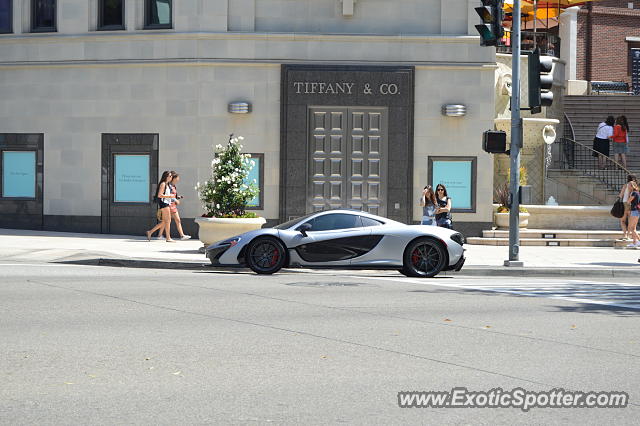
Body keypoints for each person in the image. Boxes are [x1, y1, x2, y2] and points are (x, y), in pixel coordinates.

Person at [157, 171, 191, 240]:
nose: (178, 179)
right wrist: (175, 200)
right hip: (169, 205)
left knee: (166, 221)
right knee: (173, 220)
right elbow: (167, 196)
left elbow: (172, 196)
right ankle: (180, 236)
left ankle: (159, 235)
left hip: (171, 205)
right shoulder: (167, 185)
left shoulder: (172, 186)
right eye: (177, 178)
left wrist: (177, 198)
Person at [145, 171, 175, 242]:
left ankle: (150, 232)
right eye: (170, 176)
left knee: (165, 221)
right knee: (168, 221)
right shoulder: (163, 184)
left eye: (171, 176)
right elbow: (159, 195)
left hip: (166, 203)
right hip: (163, 203)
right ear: (166, 176)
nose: (171, 177)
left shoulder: (167, 184)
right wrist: (169, 196)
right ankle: (168, 238)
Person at [618, 174, 637, 241]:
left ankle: (625, 235)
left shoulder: (626, 185)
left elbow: (620, 195)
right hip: (633, 204)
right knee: (630, 220)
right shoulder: (635, 187)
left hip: (625, 203)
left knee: (623, 220)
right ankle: (629, 235)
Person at [626, 180, 640, 248]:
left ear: (632, 186)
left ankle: (638, 241)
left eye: (629, 186)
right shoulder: (637, 192)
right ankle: (635, 242)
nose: (628, 187)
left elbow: (628, 201)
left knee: (631, 228)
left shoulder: (634, 193)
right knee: (634, 227)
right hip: (637, 211)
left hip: (634, 211)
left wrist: (629, 193)